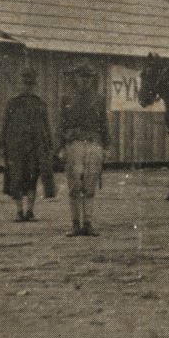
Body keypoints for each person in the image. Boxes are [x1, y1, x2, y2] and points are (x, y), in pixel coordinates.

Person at [59, 64, 108, 237]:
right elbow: (62, 124)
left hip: (94, 144)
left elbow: (104, 125)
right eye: (81, 77)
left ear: (92, 79)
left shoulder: (99, 99)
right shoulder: (67, 98)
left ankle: (87, 223)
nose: (84, 81)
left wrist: (106, 147)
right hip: (74, 145)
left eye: (88, 77)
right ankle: (75, 225)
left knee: (90, 186)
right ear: (76, 78)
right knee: (74, 186)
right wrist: (61, 147)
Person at [0, 69, 54, 222]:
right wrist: (2, 144)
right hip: (16, 147)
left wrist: (49, 143)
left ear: (34, 85)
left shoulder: (40, 103)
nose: (28, 87)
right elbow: (5, 124)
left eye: (31, 84)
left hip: (35, 147)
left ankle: (30, 211)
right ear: (21, 84)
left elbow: (46, 125)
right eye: (25, 84)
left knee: (32, 179)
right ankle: (18, 211)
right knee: (16, 178)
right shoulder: (13, 102)